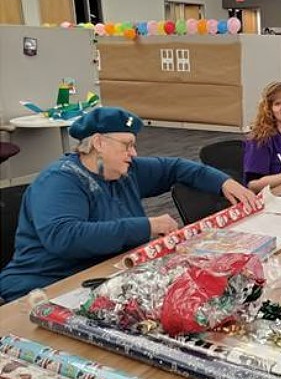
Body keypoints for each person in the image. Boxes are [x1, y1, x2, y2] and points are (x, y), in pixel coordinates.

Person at [0, 106, 257, 303]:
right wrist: (146, 226)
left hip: (103, 276)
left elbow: (176, 167)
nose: (133, 153)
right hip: (45, 287)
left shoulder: (123, 170)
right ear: (99, 143)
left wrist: (225, 183)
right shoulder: (60, 180)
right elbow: (64, 236)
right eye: (127, 145)